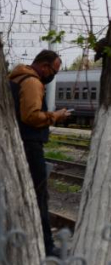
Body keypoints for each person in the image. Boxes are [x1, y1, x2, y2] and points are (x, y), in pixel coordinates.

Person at [8, 50, 70, 257]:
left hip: (17, 143)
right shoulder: (33, 82)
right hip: (30, 144)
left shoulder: (16, 77)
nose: (53, 75)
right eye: (54, 70)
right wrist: (55, 116)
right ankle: (47, 247)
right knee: (39, 195)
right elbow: (31, 116)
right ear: (44, 66)